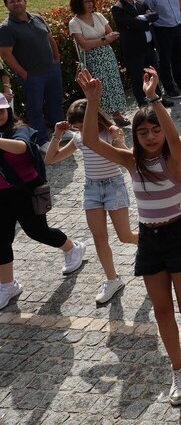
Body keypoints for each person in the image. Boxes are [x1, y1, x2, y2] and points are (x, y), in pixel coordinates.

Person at [77, 67, 181, 406]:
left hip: (178, 234)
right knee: (161, 311)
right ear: (135, 136)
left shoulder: (175, 161)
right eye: (142, 132)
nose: (150, 136)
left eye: (155, 130)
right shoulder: (131, 162)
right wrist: (93, 102)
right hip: (149, 239)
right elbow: (88, 141)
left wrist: (155, 99)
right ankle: (177, 369)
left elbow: (174, 139)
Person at [44, 101, 138, 305]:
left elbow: (129, 158)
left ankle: (151, 246)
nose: (80, 131)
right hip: (92, 189)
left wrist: (117, 138)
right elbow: (51, 159)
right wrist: (57, 135)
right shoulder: (79, 139)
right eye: (77, 128)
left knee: (125, 236)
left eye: (82, 126)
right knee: (99, 238)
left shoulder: (110, 133)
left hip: (114, 186)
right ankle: (112, 279)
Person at [0, 94, 87, 311]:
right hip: (1, 196)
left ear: (8, 111)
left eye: (0, 111)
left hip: (26, 192)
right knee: (1, 239)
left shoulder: (20, 130)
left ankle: (73, 248)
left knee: (37, 231)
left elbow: (22, 147)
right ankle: (8, 285)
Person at [0, 0, 64, 143]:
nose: (16, 3)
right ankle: (41, 140)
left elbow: (49, 38)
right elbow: (5, 54)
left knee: (55, 101)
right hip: (32, 75)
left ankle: (60, 131)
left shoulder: (37, 18)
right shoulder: (6, 28)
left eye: (19, 0)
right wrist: (23, 74)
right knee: (35, 109)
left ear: (25, 1)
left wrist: (56, 59)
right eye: (12, 2)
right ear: (6, 6)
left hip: (51, 69)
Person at [68, 0, 130, 126]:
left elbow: (110, 33)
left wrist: (106, 39)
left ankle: (117, 114)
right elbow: (84, 44)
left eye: (91, 1)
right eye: (86, 2)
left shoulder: (98, 16)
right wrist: (104, 40)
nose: (91, 4)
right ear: (78, 4)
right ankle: (102, 118)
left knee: (113, 84)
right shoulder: (74, 23)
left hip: (107, 54)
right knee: (99, 87)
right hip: (92, 58)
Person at [111, 0, 165, 106]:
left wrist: (141, 18)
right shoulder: (118, 8)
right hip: (134, 49)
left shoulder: (141, 2)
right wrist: (146, 19)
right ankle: (142, 103)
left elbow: (155, 15)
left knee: (154, 73)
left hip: (149, 46)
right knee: (137, 77)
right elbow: (132, 24)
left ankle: (158, 98)